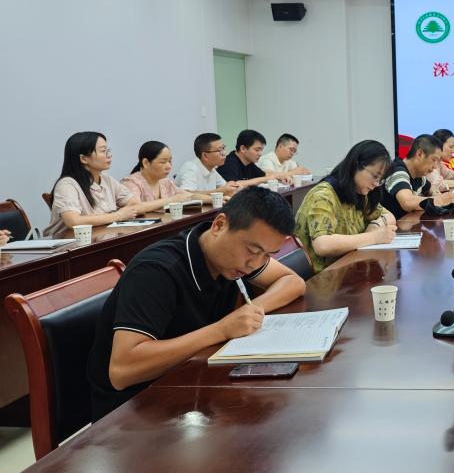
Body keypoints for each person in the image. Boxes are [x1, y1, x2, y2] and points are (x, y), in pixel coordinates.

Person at [86, 186, 306, 420]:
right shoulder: (157, 271)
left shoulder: (232, 259)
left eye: (267, 255)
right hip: (134, 411)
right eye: (253, 250)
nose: (255, 264)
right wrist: (221, 329)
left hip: (194, 388)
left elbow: (292, 281)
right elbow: (122, 371)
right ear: (219, 225)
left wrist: (252, 310)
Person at [294, 140, 398, 273]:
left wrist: (375, 225)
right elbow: (323, 245)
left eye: (380, 180)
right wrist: (373, 237)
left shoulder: (359, 192)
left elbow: (389, 216)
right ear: (356, 165)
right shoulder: (324, 195)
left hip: (347, 268)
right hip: (321, 277)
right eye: (375, 176)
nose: (376, 184)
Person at [44, 132, 169, 237]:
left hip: (103, 239)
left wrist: (125, 211)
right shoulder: (67, 185)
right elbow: (74, 221)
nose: (109, 155)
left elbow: (135, 204)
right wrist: (118, 215)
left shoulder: (107, 179)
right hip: (67, 248)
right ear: (84, 159)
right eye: (103, 151)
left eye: (108, 150)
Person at [381, 134, 454, 219]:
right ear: (420, 154)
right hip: (394, 225)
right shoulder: (397, 171)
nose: (435, 166)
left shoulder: (418, 175)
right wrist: (440, 200)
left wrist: (435, 193)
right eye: (434, 160)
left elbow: (430, 189)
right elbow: (407, 202)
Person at [121, 141, 196, 205]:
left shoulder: (166, 182)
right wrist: (172, 200)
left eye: (170, 161)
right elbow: (135, 207)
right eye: (163, 162)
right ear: (146, 163)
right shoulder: (131, 183)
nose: (169, 166)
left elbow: (187, 195)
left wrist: (204, 197)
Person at [176, 133, 241, 199]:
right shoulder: (190, 168)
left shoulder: (212, 168)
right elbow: (186, 194)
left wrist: (231, 188)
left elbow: (225, 188)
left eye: (223, 148)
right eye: (219, 150)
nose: (224, 153)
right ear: (205, 155)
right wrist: (219, 191)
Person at [218, 130, 291, 186]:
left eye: (261, 150)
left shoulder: (249, 163)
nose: (260, 154)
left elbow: (264, 175)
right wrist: (265, 179)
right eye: (257, 150)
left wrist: (281, 176)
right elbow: (234, 185)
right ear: (243, 148)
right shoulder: (228, 162)